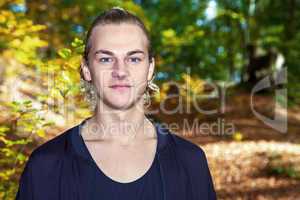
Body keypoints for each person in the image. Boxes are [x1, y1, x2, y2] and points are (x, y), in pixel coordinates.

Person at [15, 7, 217, 200]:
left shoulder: (190, 162)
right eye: (105, 59)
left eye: (134, 59)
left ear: (150, 69)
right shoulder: (46, 165)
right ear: (86, 69)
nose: (120, 71)